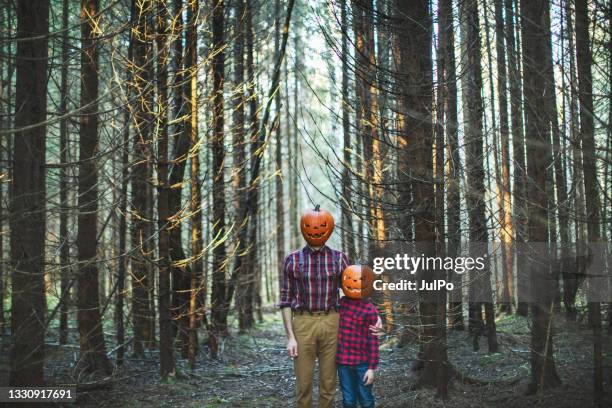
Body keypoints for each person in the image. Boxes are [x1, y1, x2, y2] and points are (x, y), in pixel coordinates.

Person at [278, 205, 380, 408]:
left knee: (328, 383)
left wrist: (376, 316)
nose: (315, 229)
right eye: (310, 225)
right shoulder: (293, 259)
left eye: (321, 225)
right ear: (303, 227)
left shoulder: (339, 258)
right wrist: (290, 337)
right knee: (304, 383)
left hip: (333, 321)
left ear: (329, 228)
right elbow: (285, 299)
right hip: (303, 323)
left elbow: (354, 291)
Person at [336, 265, 379, 408]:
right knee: (348, 399)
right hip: (343, 362)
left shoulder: (370, 310)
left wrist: (372, 368)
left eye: (360, 280)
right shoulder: (340, 304)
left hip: (363, 363)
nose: (354, 283)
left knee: (366, 399)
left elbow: (373, 341)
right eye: (350, 279)